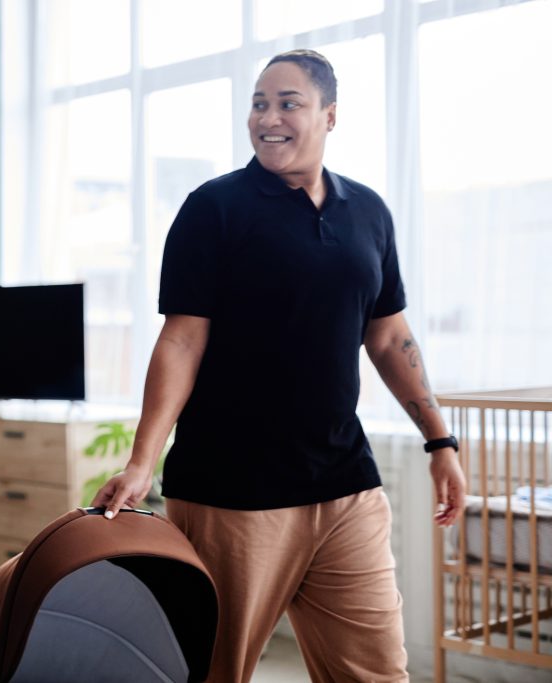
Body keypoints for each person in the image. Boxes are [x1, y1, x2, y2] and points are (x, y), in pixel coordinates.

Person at [93, 49, 466, 683]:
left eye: (288, 102)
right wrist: (140, 461)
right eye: (259, 103)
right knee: (213, 669)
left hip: (346, 485)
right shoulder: (214, 209)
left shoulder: (369, 212)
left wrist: (440, 439)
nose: (269, 117)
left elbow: (387, 334)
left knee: (378, 673)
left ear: (330, 115)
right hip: (233, 494)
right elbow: (181, 342)